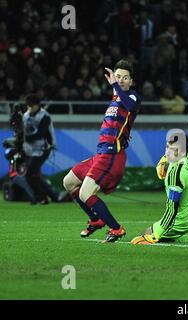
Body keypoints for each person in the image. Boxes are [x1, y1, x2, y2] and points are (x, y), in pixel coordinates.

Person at [63, 60, 141, 243]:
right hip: (100, 154)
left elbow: (130, 106)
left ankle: (116, 228)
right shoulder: (115, 99)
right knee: (69, 182)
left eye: (125, 77)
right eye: (118, 76)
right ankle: (96, 219)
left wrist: (114, 84)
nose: (121, 80)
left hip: (112, 155)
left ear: (131, 81)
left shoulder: (133, 97)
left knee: (85, 193)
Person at [22, 94, 65, 204]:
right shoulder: (25, 115)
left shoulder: (44, 116)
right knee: (35, 174)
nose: (30, 108)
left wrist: (24, 137)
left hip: (44, 148)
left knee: (29, 173)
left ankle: (40, 197)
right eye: (28, 106)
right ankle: (52, 196)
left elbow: (41, 134)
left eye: (32, 106)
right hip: (30, 149)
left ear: (37, 105)